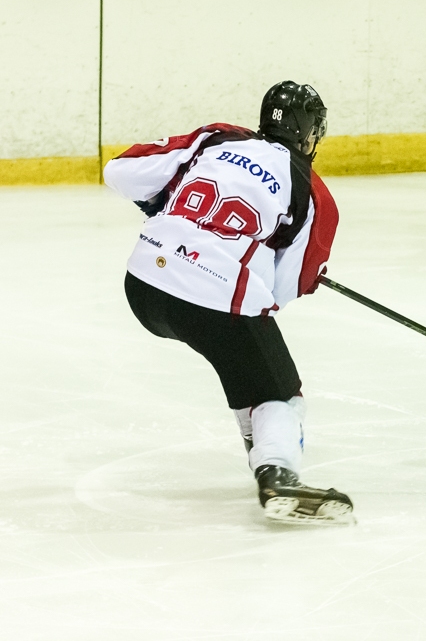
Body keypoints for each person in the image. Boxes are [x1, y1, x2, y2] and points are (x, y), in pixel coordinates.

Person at [103, 81, 352, 524]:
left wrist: (161, 198)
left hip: (142, 284)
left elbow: (119, 171)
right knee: (279, 394)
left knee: (246, 367)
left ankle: (260, 449)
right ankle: (277, 471)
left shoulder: (218, 137)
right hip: (212, 300)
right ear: (310, 132)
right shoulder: (312, 192)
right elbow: (284, 289)